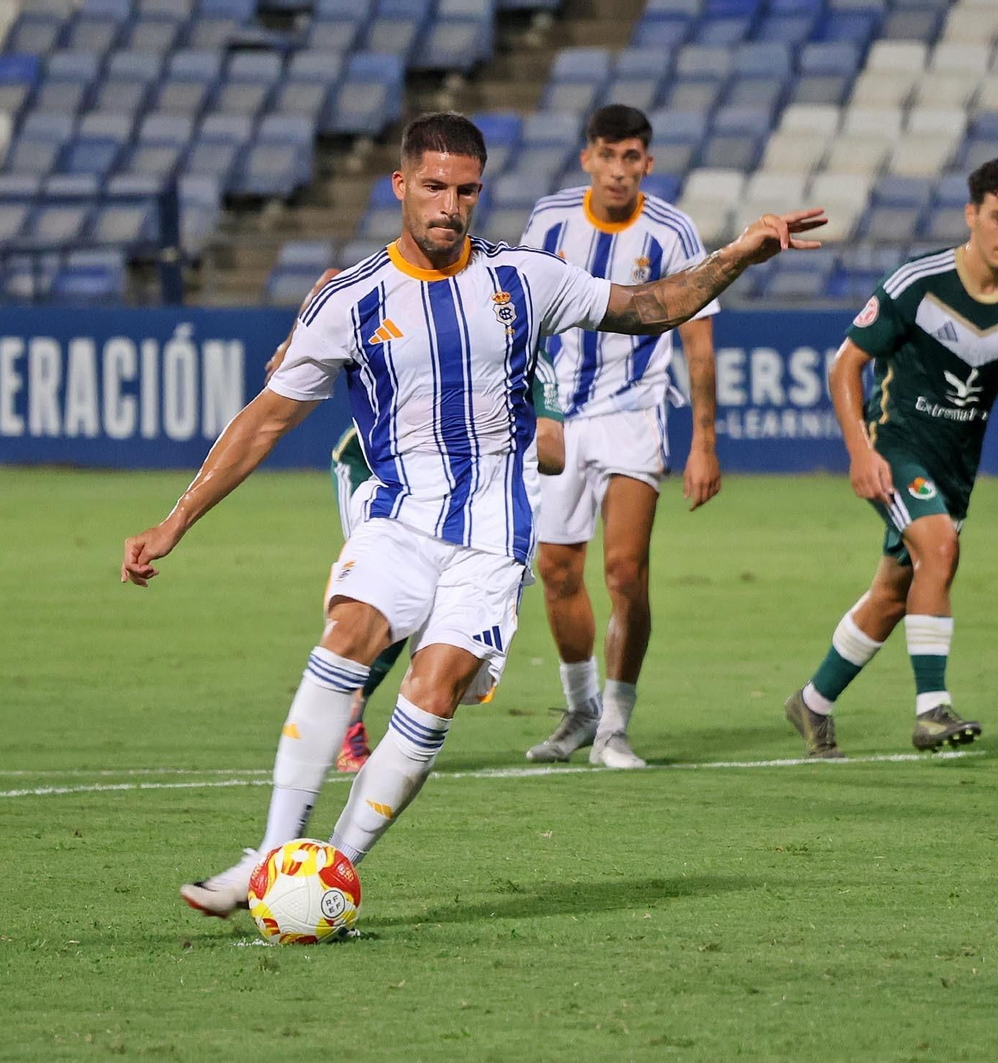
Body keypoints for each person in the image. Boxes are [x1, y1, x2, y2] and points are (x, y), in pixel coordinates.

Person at [119, 111, 824, 917]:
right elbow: (264, 420)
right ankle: (272, 855)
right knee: (348, 632)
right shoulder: (350, 298)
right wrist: (174, 521)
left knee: (435, 686)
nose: (449, 205)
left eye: (465, 190)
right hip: (398, 518)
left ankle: (330, 871)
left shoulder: (525, 278)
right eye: (433, 187)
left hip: (493, 535)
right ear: (400, 186)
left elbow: (653, 305)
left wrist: (738, 254)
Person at [782, 158, 998, 758]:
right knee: (941, 550)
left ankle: (812, 704)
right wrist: (860, 451)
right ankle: (931, 711)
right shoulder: (917, 284)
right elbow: (846, 364)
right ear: (971, 214)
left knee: (897, 594)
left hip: (955, 468)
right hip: (894, 447)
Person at [261, 279, 569, 773]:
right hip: (371, 472)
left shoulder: (530, 358)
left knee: (426, 605)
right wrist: (294, 344)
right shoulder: (452, 324)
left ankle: (386, 722)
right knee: (397, 591)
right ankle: (348, 716)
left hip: (457, 498)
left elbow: (553, 454)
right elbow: (331, 282)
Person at [518, 104, 724, 770]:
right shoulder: (549, 221)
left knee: (625, 573)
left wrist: (704, 441)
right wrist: (534, 406)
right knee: (556, 571)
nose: (617, 170)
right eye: (606, 156)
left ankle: (615, 723)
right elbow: (520, 318)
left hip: (633, 415)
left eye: (630, 157)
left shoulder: (671, 230)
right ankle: (578, 710)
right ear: (588, 159)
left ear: (647, 164)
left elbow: (698, 342)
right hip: (559, 418)